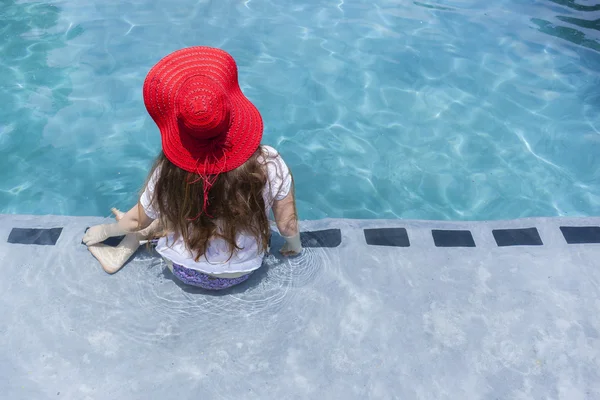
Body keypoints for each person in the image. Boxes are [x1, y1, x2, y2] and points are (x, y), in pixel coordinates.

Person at [82, 46, 302, 290]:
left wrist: (104, 230)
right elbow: (287, 224)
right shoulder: (269, 162)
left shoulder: (169, 171)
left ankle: (119, 252)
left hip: (182, 269)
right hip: (241, 272)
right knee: (204, 210)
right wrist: (293, 245)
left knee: (164, 212)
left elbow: (135, 221)